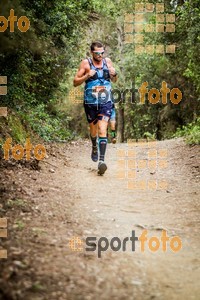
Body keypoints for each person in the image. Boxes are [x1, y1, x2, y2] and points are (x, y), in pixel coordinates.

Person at [73, 41, 117, 175]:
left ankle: (101, 162)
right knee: (93, 130)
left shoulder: (107, 62)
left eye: (102, 53)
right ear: (92, 53)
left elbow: (114, 80)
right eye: (98, 53)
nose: (100, 55)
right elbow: (75, 82)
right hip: (90, 102)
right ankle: (94, 146)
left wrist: (114, 74)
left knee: (102, 129)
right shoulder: (85, 64)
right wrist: (87, 75)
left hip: (105, 101)